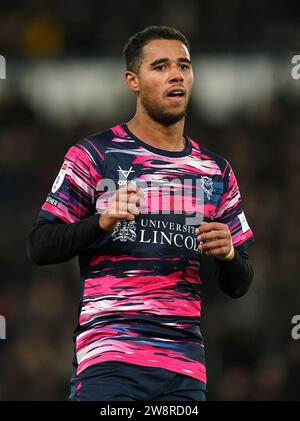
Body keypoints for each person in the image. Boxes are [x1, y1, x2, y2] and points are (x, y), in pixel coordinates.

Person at [27, 25, 254, 401]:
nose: (176, 74)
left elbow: (239, 283)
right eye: (161, 66)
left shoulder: (216, 172)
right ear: (133, 80)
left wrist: (229, 255)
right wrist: (100, 222)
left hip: (184, 370)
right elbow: (40, 245)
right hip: (109, 360)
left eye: (184, 65)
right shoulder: (95, 155)